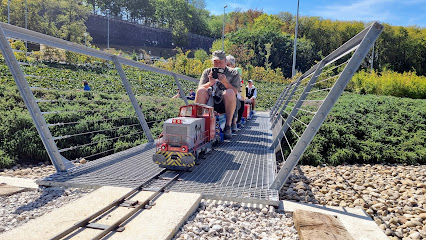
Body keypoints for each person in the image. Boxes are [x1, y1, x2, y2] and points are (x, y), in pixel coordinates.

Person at [195, 50, 241, 139]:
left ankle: (228, 126)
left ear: (225, 61)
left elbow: (235, 91)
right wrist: (210, 83)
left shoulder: (233, 73)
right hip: (210, 101)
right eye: (216, 62)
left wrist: (226, 83)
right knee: (201, 91)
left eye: (220, 62)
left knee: (230, 92)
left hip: (226, 104)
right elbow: (199, 89)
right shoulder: (207, 72)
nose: (218, 64)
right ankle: (198, 123)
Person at [226, 54, 244, 132]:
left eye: (228, 65)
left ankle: (233, 123)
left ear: (233, 66)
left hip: (232, 95)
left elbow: (237, 90)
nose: (226, 67)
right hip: (222, 95)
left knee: (235, 100)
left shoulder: (235, 75)